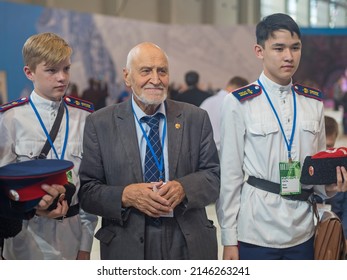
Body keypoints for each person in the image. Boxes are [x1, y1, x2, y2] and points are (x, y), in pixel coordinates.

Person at [216, 13, 347, 260]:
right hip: (256, 229)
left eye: (295, 48)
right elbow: (230, 176)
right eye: (279, 48)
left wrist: (331, 186)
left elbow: (316, 172)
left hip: (303, 229)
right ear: (259, 50)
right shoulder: (239, 102)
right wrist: (229, 239)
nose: (289, 56)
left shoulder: (312, 102)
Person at [78, 42, 220, 260]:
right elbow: (88, 192)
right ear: (127, 77)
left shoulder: (195, 118)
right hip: (127, 243)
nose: (155, 79)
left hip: (186, 241)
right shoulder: (100, 123)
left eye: (162, 71)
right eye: (146, 71)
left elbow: (213, 178)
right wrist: (125, 195)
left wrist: (184, 188)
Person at [0, 32, 98, 259]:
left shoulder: (85, 118)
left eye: (66, 68)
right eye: (51, 70)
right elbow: (2, 189)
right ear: (29, 72)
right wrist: (33, 206)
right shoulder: (10, 119)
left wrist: (85, 246)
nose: (62, 78)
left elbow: (90, 186)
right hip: (25, 239)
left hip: (72, 236)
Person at [200, 76, 249, 152]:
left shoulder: (207, 101)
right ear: (240, 90)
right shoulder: (235, 105)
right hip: (222, 151)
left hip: (202, 150)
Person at [323, 115, 347, 252]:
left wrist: (344, 236)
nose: (325, 152)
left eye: (330, 146)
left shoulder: (342, 167)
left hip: (335, 231)